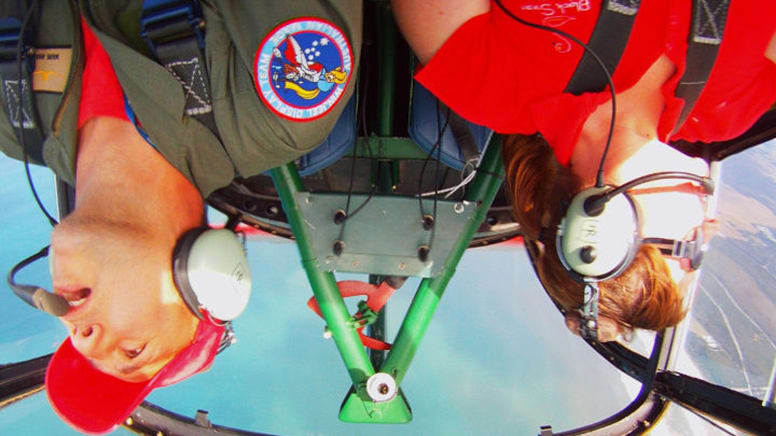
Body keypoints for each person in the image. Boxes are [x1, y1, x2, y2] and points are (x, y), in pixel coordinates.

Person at [0, 1, 361, 433]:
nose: (83, 337)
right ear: (204, 275)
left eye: (81, 348)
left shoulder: (12, 118)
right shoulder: (273, 112)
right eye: (133, 352)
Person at [392, 0, 776, 341]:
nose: (712, 229)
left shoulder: (488, 86)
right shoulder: (726, 113)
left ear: (600, 226)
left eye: (690, 250)